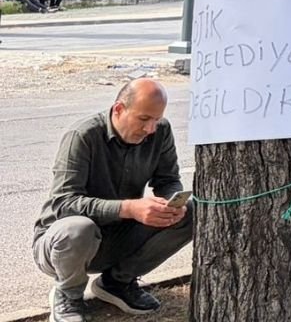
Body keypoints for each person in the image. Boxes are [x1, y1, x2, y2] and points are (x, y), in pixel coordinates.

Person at [33, 79, 192, 321]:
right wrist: (129, 208)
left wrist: (170, 204)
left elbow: (168, 179)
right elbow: (64, 203)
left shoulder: (160, 131)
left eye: (156, 120)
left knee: (191, 211)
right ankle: (68, 294)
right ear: (119, 109)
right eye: (143, 119)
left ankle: (116, 283)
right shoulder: (82, 136)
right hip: (63, 244)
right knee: (78, 228)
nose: (150, 128)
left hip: (118, 235)